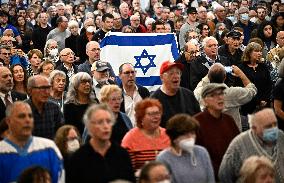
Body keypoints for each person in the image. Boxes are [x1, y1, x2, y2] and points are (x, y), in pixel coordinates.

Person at [66, 104, 135, 183]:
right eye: (100, 122)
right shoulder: (78, 158)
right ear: (89, 126)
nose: (106, 126)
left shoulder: (122, 154)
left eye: (108, 121)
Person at [0, 101, 64, 183]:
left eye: (30, 116)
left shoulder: (50, 148)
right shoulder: (1, 151)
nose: (27, 120)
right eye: (21, 116)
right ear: (8, 121)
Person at [219, 108, 284, 183]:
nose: (273, 129)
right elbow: (224, 175)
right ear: (254, 128)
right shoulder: (239, 144)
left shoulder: (280, 136)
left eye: (275, 124)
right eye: (268, 126)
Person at [194, 83, 240, 179]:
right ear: (204, 102)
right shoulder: (196, 122)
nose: (219, 98)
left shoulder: (229, 120)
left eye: (221, 94)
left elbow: (238, 146)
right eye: (213, 95)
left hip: (231, 174)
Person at [194, 63, 257, 131]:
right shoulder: (232, 93)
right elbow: (252, 90)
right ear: (225, 77)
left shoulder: (200, 92)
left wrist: (211, 72)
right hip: (231, 135)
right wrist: (241, 74)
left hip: (210, 133)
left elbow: (201, 85)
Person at [156, 114, 215, 183]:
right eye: (185, 134)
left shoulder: (202, 152)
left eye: (192, 133)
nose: (190, 137)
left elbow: (210, 179)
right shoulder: (163, 158)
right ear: (174, 137)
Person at [121, 98, 170, 171]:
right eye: (151, 114)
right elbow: (126, 170)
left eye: (157, 113)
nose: (156, 117)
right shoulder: (130, 138)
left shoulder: (168, 135)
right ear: (141, 117)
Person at [151, 61, 201, 127]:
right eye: (171, 73)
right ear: (162, 77)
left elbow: (199, 119)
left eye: (178, 73)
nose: (176, 76)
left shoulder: (188, 95)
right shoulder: (154, 100)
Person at [237, 42, 272, 115]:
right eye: (256, 51)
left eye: (260, 51)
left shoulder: (263, 66)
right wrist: (258, 101)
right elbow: (242, 87)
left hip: (265, 105)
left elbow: (269, 84)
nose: (259, 53)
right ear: (249, 53)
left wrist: (265, 100)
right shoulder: (241, 68)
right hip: (249, 105)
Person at [26, 75, 64, 139]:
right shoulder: (22, 109)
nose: (46, 92)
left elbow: (60, 132)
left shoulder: (54, 108)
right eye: (42, 88)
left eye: (48, 88)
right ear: (30, 90)